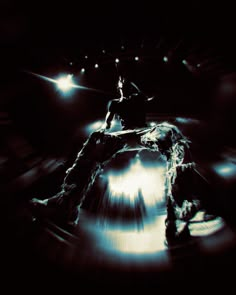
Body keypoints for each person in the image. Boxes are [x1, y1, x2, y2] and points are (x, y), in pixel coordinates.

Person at [30, 77, 198, 244]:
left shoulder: (137, 97)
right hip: (123, 136)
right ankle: (66, 204)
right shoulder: (114, 103)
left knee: (171, 132)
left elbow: (147, 94)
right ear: (117, 86)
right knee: (94, 140)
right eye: (120, 82)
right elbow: (107, 124)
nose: (123, 82)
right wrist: (100, 132)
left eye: (126, 81)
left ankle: (178, 207)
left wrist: (132, 85)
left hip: (144, 132)